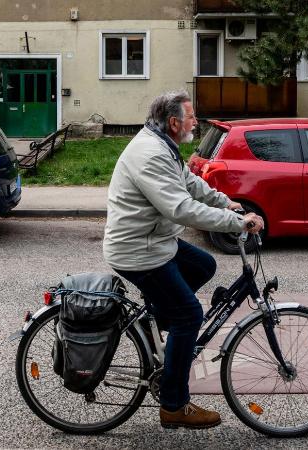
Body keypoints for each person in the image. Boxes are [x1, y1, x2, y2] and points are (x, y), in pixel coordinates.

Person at [103, 90, 264, 429]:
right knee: (189, 316)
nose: (195, 121)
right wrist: (237, 222)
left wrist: (226, 202)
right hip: (138, 250)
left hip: (155, 241)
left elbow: (189, 184)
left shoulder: (163, 145)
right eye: (191, 117)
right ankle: (174, 406)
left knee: (204, 266)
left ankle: (161, 319)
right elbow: (181, 208)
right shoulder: (151, 154)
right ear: (174, 122)